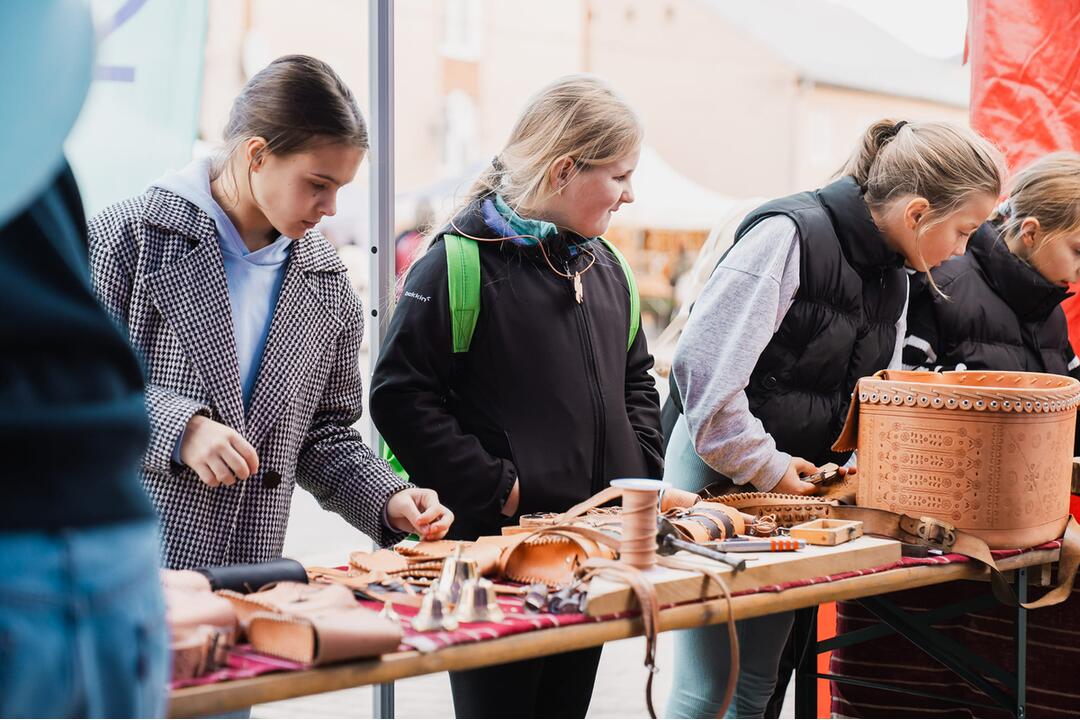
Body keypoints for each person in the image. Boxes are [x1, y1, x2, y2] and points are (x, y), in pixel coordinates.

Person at [663, 119, 1005, 718]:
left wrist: (853, 465)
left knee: (756, 681)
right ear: (918, 213)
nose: (961, 250)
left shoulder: (895, 276)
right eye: (963, 231)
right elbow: (705, 374)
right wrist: (767, 466)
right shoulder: (789, 234)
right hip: (720, 479)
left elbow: (874, 397)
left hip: (788, 492)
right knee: (711, 688)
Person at [370, 74, 664, 718]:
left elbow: (637, 380)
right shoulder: (456, 261)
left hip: (591, 553)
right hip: (496, 559)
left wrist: (638, 466)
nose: (630, 194)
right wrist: (502, 489)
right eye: (619, 176)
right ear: (564, 170)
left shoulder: (609, 267)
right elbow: (398, 397)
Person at [88, 55, 453, 570]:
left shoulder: (328, 280)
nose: (330, 207)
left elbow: (322, 433)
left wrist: (389, 499)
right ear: (257, 154)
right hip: (125, 567)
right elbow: (68, 391)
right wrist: (181, 430)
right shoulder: (127, 239)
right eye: (317, 184)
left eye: (340, 189)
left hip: (251, 578)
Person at [832, 151, 1080, 719]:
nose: (1079, 270)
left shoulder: (1047, 308)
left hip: (1010, 539)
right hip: (930, 536)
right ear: (1032, 231)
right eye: (1078, 250)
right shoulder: (941, 280)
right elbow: (899, 400)